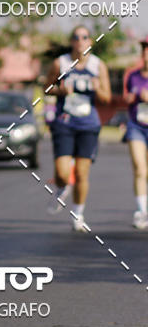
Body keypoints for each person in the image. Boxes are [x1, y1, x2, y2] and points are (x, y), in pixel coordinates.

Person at [44, 26, 111, 231]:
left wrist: (98, 88)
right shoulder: (61, 63)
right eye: (76, 37)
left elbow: (107, 98)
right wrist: (61, 90)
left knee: (82, 174)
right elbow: (46, 88)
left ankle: (78, 214)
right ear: (72, 42)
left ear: (90, 41)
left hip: (88, 125)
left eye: (84, 37)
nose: (80, 41)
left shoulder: (98, 65)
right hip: (64, 123)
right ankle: (63, 185)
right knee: (62, 174)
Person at [122, 36, 148, 229]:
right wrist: (131, 97)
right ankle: (141, 212)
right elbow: (126, 97)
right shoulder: (133, 76)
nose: (146, 52)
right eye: (144, 49)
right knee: (140, 168)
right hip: (136, 126)